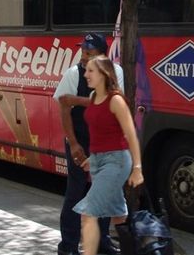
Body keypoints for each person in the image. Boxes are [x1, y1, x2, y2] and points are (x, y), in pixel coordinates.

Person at [53, 33, 123, 255]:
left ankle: (102, 241)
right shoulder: (74, 74)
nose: (83, 57)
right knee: (76, 191)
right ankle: (68, 246)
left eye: (89, 53)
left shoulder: (117, 72)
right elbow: (64, 108)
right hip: (80, 141)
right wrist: (73, 144)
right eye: (82, 51)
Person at [74, 55, 143, 255]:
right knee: (118, 217)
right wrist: (92, 158)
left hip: (117, 161)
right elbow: (99, 131)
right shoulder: (94, 97)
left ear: (104, 74)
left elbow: (131, 135)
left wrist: (137, 168)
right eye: (85, 70)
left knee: (88, 215)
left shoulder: (116, 101)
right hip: (98, 161)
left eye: (90, 71)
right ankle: (133, 251)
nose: (85, 74)